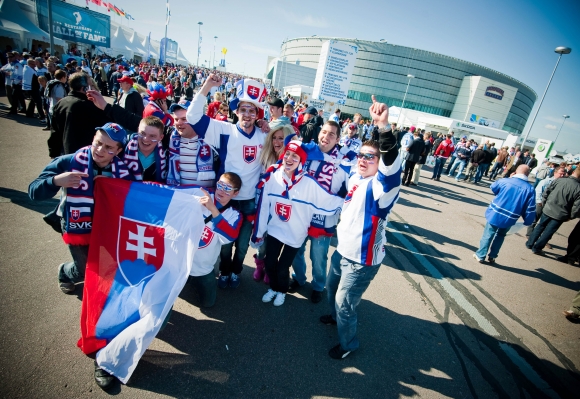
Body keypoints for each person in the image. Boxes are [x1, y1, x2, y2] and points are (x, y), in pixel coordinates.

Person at [320, 95, 400, 360]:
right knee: (331, 291)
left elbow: (391, 168)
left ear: (380, 164)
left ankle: (348, 344)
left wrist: (384, 128)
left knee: (345, 303)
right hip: (342, 251)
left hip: (362, 261)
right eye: (362, 155)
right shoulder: (356, 174)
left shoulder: (382, 188)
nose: (363, 160)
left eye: (371, 158)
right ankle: (335, 318)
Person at [28, 123, 134, 295]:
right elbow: (33, 191)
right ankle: (64, 273)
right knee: (84, 269)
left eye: (108, 147)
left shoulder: (123, 173)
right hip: (75, 225)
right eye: (98, 142)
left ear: (118, 151)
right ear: (93, 138)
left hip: (106, 227)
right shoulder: (69, 162)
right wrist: (56, 181)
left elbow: (133, 199)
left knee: (107, 266)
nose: (100, 150)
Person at [186, 74, 269, 289]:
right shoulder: (224, 130)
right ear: (236, 111)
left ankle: (236, 271)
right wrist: (206, 86)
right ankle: (223, 271)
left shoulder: (264, 134)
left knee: (242, 245)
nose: (247, 114)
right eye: (243, 109)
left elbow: (287, 140)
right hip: (226, 199)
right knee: (225, 241)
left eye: (252, 110)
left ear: (257, 114)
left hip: (249, 200)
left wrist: (272, 127)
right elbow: (193, 117)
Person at [252, 140, 344, 307]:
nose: (289, 158)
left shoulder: (309, 183)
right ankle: (273, 288)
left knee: (282, 267)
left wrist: (350, 202)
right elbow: (263, 207)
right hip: (275, 230)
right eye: (287, 154)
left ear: (301, 161)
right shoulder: (272, 176)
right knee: (270, 262)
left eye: (295, 156)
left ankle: (282, 291)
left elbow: (329, 200)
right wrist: (258, 232)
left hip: (295, 234)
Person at [290, 120, 354, 303]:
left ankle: (318, 285)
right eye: (324, 132)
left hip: (324, 217)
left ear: (338, 139)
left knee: (318, 255)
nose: (326, 136)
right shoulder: (307, 152)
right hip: (301, 213)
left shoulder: (344, 161)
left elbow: (351, 187)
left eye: (332, 134)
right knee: (296, 249)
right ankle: (298, 278)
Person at [187, 173, 243, 308]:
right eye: (220, 185)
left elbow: (230, 237)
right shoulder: (200, 194)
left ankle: (195, 283)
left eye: (228, 188)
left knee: (208, 303)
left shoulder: (234, 214)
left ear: (235, 194)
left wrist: (213, 210)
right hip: (181, 262)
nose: (222, 191)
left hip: (203, 268)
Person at [473, 165, 536, 263]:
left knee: (488, 234)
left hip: (496, 213)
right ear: (528, 174)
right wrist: (528, 221)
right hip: (511, 217)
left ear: (516, 171)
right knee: (501, 235)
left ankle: (481, 255)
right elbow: (529, 207)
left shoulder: (506, 181)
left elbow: (494, 187)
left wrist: (509, 178)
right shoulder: (530, 189)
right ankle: (493, 256)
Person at [48, 72, 110, 158]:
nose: (93, 88)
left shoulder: (61, 103)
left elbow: (54, 131)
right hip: (82, 155)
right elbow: (106, 126)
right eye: (91, 86)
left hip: (64, 153)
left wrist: (53, 152)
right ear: (84, 88)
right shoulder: (88, 105)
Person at [527, 166, 580, 255]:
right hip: (561, 214)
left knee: (540, 226)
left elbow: (547, 191)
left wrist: (544, 202)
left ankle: (530, 243)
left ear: (573, 172)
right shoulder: (578, 188)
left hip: (548, 208)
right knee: (548, 231)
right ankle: (537, 248)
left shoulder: (560, 180)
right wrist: (571, 216)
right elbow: (576, 206)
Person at [166, 99, 218, 187]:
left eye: (184, 119)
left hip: (207, 195)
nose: (179, 123)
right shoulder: (169, 137)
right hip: (179, 193)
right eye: (176, 119)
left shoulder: (212, 137)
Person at [122, 116, 167, 183]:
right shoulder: (123, 146)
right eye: (142, 133)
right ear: (138, 130)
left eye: (152, 136)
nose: (145, 139)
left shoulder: (167, 155)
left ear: (161, 137)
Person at [526, 166, 566, 236]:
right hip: (541, 203)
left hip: (551, 206)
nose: (562, 176)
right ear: (555, 173)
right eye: (560, 174)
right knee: (534, 219)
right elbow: (538, 191)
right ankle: (529, 234)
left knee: (544, 223)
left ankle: (538, 237)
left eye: (563, 174)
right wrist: (539, 202)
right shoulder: (546, 181)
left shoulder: (563, 184)